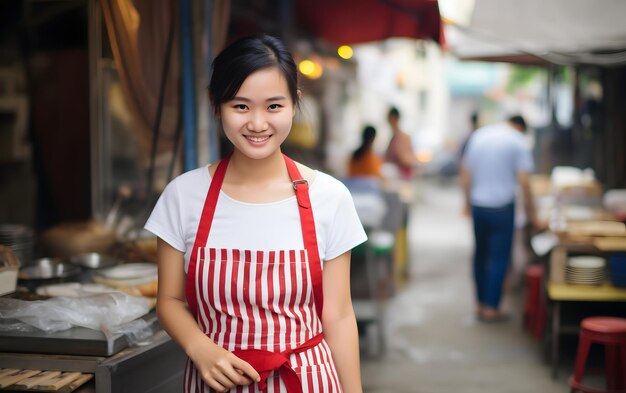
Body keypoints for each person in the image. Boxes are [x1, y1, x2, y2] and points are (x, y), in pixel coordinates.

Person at [145, 35, 367, 392]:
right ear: (216, 105)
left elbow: (338, 315)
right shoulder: (184, 195)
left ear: (294, 104)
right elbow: (169, 301)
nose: (258, 124)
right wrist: (200, 348)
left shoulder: (330, 197)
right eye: (241, 106)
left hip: (307, 379)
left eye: (274, 106)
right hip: (216, 382)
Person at [460, 114, 541, 323]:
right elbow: (524, 181)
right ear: (521, 127)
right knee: (498, 258)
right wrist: (533, 214)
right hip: (503, 207)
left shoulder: (479, 136)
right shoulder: (518, 141)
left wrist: (467, 202)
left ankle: (479, 303)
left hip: (479, 204)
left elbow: (466, 173)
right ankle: (491, 307)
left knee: (480, 254)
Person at [384, 107, 416, 179]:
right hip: (397, 175)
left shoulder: (402, 137)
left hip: (402, 176)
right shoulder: (394, 136)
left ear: (393, 118)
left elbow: (406, 159)